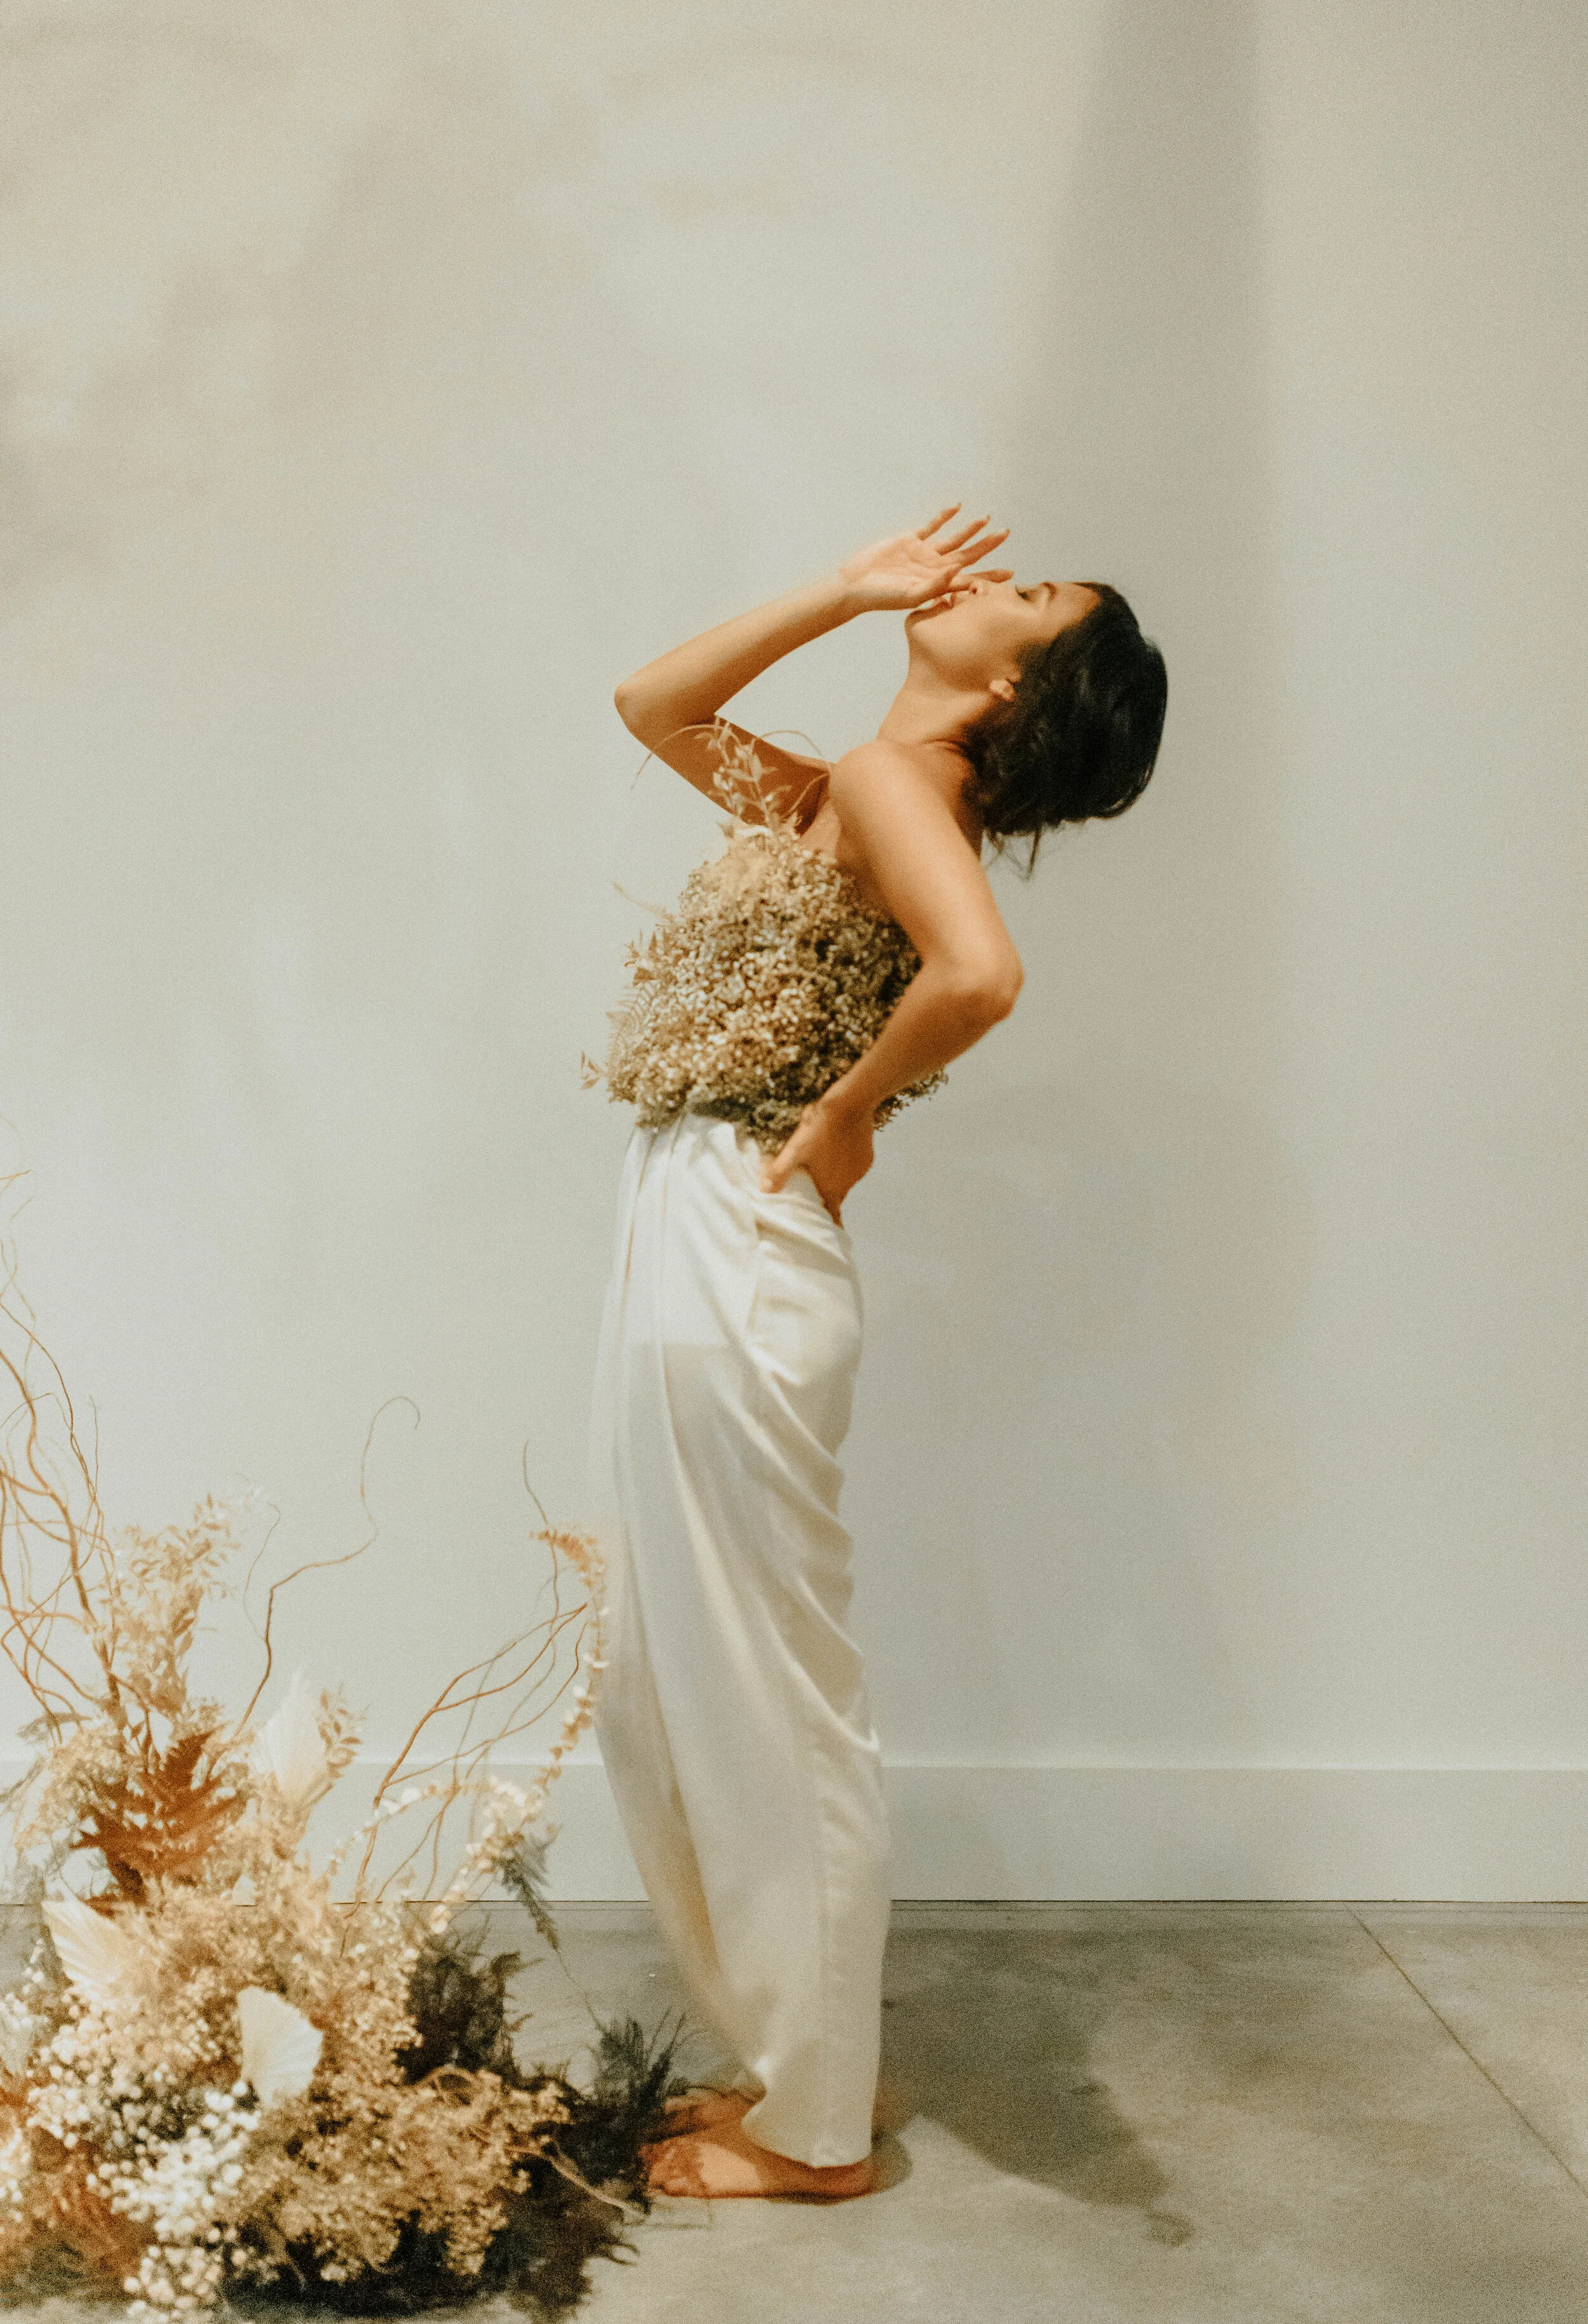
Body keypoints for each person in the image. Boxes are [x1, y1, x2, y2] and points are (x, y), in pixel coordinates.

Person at [586, 508, 1167, 2199]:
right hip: (697, 1218)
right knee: (687, 1671)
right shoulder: (849, 786)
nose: (995, 574)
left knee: (762, 1686)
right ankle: (802, 2061)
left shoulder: (901, 793)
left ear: (1005, 688)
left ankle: (815, 2129)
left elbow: (977, 970)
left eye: (1032, 596)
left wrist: (845, 1113)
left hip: (739, 1233)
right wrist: (845, 591)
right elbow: (648, 702)